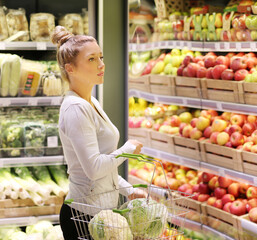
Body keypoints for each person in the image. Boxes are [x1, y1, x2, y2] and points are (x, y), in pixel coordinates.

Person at [52, 26, 144, 239]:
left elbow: (102, 169)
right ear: (70, 68)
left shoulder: (90, 101)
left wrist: (127, 189)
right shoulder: (76, 108)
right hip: (82, 217)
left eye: (101, 57)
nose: (101, 65)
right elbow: (93, 168)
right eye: (91, 59)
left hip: (101, 214)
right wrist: (127, 149)